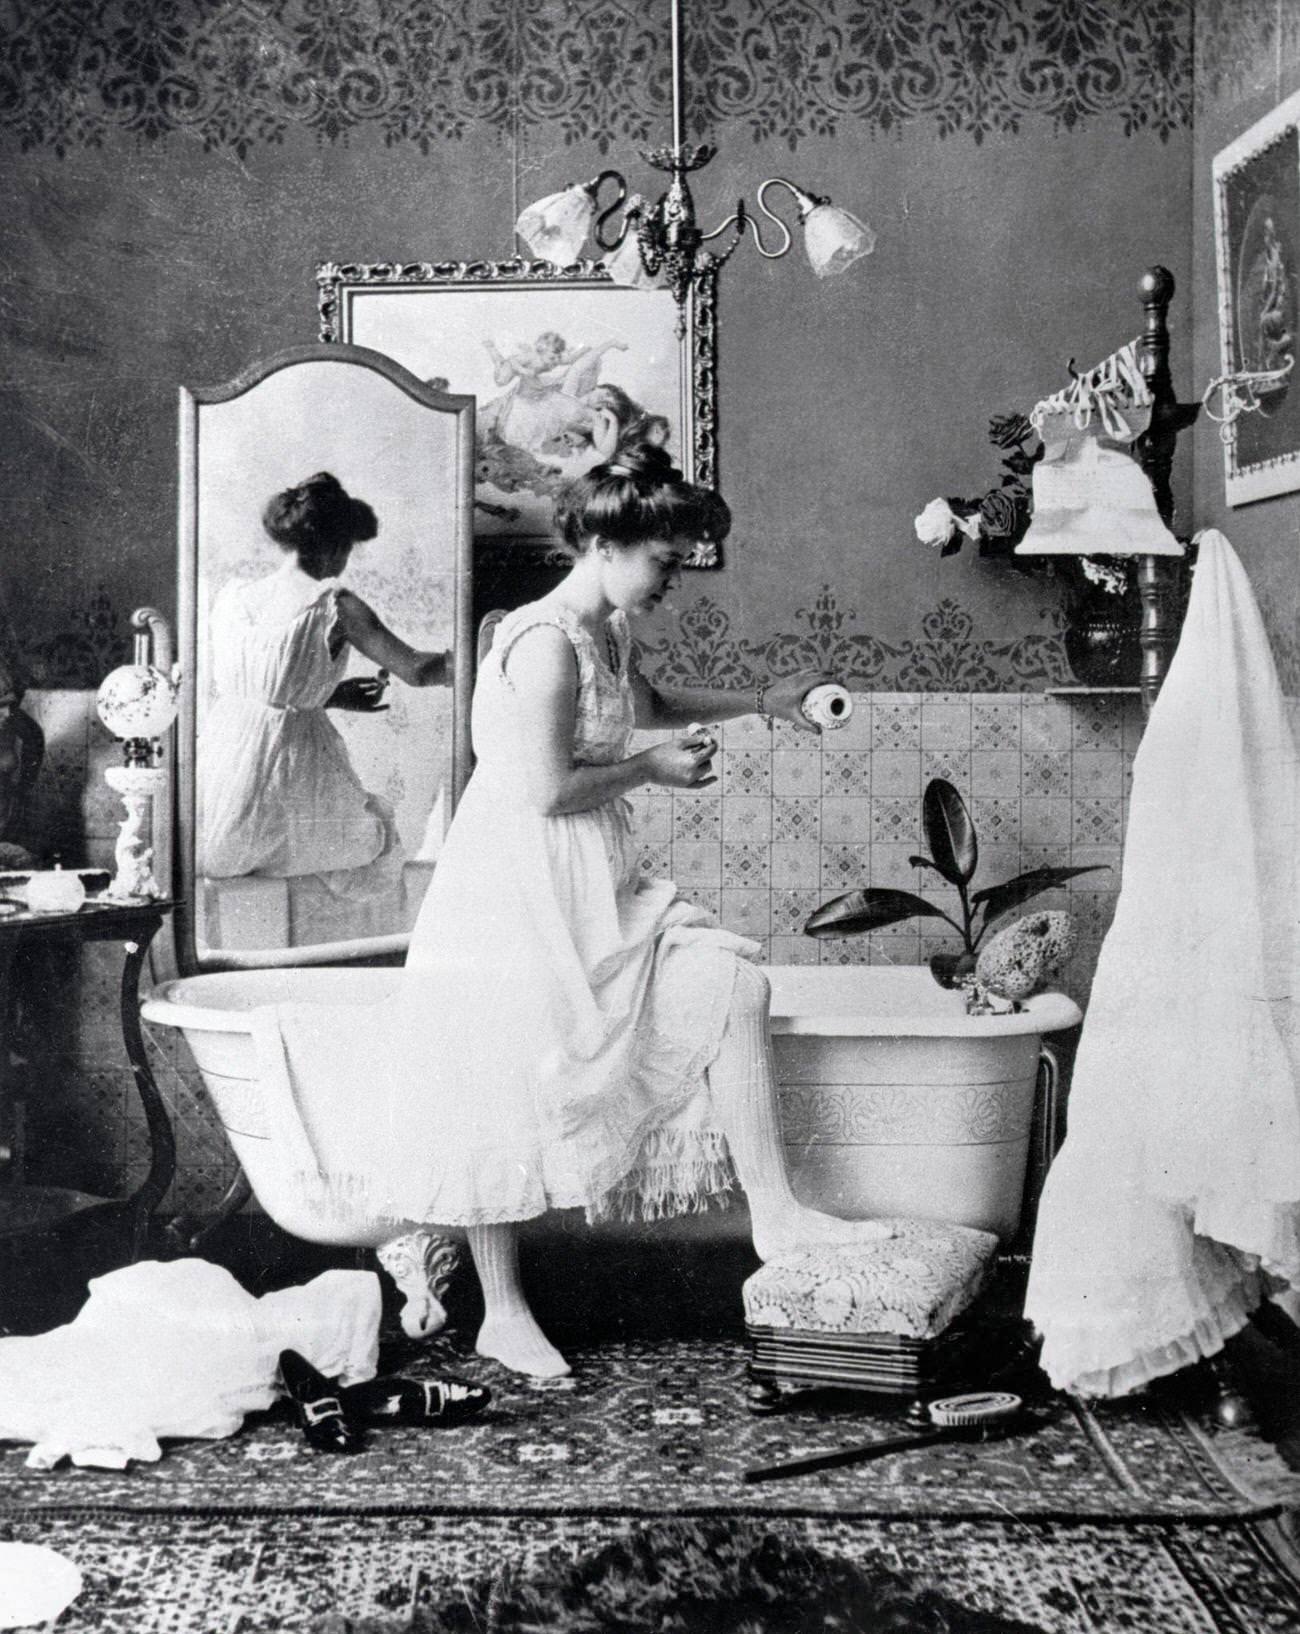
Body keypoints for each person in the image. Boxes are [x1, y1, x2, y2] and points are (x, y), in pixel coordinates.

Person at [269, 443, 888, 1381]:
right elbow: (550, 787)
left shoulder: (606, 633)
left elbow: (648, 702)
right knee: (507, 1080)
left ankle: (777, 1213)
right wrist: (650, 770)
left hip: (587, 874)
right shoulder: (544, 641)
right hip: (517, 883)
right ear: (605, 543)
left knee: (728, 982)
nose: (676, 580)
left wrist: (770, 701)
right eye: (667, 561)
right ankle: (503, 1312)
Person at [198, 471, 449, 891]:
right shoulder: (333, 603)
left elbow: (262, 690)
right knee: (374, 845)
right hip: (284, 769)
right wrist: (482, 656)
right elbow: (418, 670)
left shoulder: (232, 595)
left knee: (233, 854)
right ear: (335, 546)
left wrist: (326, 695)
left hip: (220, 769)